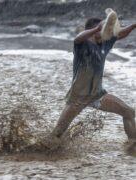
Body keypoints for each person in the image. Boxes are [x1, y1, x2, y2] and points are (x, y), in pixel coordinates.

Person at [42, 16, 136, 149]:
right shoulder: (82, 44)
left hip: (98, 95)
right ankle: (37, 152)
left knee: (129, 112)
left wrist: (133, 26)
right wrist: (97, 28)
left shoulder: (104, 43)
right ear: (93, 30)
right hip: (78, 98)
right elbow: (78, 37)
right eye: (103, 30)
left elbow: (120, 34)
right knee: (57, 133)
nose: (107, 33)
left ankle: (133, 144)